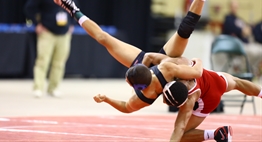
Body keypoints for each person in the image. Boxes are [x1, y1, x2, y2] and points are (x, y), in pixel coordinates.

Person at [52, 0, 258, 141]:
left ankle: (74, 9)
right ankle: (72, 8)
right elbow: (186, 68)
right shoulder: (162, 72)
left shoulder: (152, 87)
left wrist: (107, 99)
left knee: (183, 30)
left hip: (169, 64)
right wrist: (189, 61)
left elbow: (126, 106)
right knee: (184, 30)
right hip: (166, 62)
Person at [24, 0, 76, 97]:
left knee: (59, 62)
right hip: (47, 32)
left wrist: (72, 24)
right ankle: (38, 88)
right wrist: (36, 24)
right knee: (42, 60)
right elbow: (29, 8)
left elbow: (75, 9)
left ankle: (53, 88)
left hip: (64, 33)